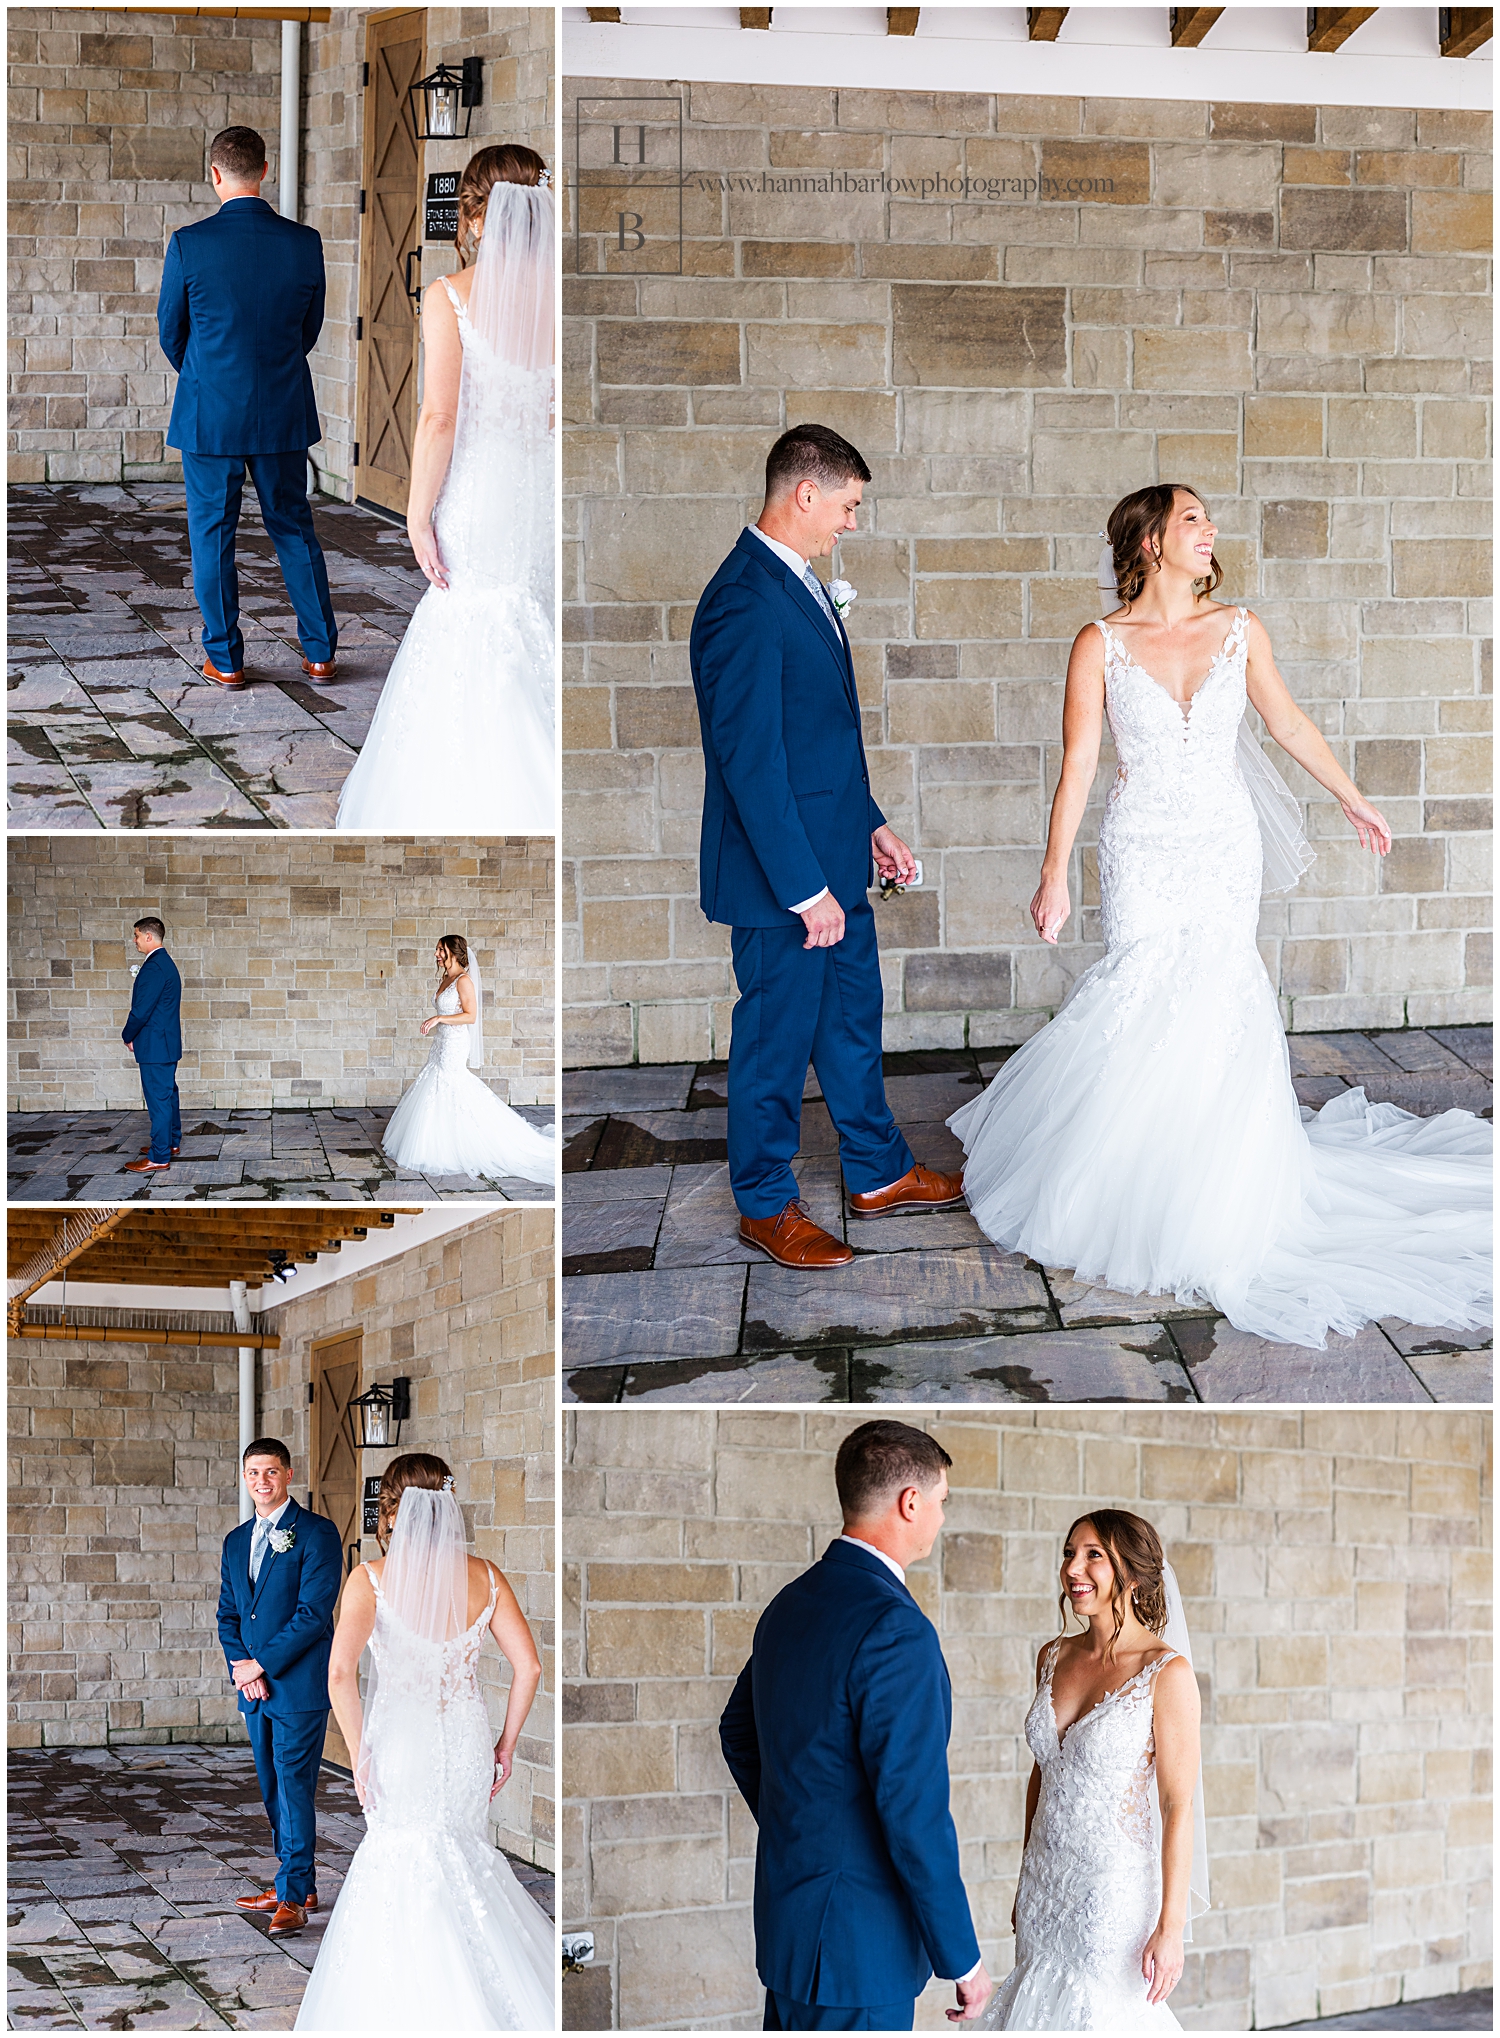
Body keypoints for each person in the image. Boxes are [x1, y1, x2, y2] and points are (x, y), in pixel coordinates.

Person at [951, 482, 1492, 1348]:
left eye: (1209, 521)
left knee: (1221, 995)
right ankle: (1137, 1185)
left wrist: (1353, 798)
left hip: (1220, 843)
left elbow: (1290, 726)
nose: (1212, 532)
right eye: (1194, 519)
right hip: (1142, 847)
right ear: (1152, 542)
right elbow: (1079, 767)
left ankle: (1219, 1196)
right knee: (1144, 993)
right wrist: (1054, 873)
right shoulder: (1098, 645)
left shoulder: (1240, 629)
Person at [690, 425, 966, 1270]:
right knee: (774, 1042)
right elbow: (752, 761)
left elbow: (822, 742)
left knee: (850, 1024)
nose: (852, 522)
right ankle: (766, 1205)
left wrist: (871, 823)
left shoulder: (801, 586)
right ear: (804, 494)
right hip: (787, 883)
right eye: (848, 505)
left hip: (836, 858)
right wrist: (803, 887)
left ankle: (877, 1174)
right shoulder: (741, 599)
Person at [719, 1420, 992, 2031]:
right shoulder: (897, 1630)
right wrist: (964, 1961)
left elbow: (738, 1730)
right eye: (942, 1502)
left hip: (791, 1930)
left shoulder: (789, 1604)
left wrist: (805, 1828)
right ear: (911, 1502)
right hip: (859, 1950)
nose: (942, 1519)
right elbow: (914, 1812)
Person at [335, 145, 555, 830]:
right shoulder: (560, 299)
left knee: (471, 621)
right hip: (540, 490)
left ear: (476, 216)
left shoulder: (450, 295)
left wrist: (416, 514)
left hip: (484, 491)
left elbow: (438, 417)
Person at [293, 1454, 553, 2030]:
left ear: (392, 1507)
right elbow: (529, 1668)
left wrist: (360, 1753)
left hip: (400, 1747)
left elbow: (340, 1674)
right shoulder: (485, 1575)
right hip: (464, 1743)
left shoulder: (371, 1578)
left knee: (403, 1863)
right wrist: (505, 1746)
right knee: (461, 1856)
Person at [986, 1512, 1207, 2031]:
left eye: (1093, 1555)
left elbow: (1179, 1804)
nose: (1073, 1568)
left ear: (1130, 1574)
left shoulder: (1165, 1673)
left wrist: (1170, 1927)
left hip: (1112, 1896)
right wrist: (1025, 1876)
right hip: (1045, 1884)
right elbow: (1043, 1775)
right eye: (1068, 1553)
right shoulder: (1051, 1656)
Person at [157, 125, 337, 689]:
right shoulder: (304, 242)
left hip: (210, 413)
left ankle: (227, 660)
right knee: (294, 529)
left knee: (213, 534)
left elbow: (171, 332)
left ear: (214, 174)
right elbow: (308, 330)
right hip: (282, 408)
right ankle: (320, 653)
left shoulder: (189, 243)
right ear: (265, 170)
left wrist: (211, 375)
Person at [218, 1439, 343, 1939]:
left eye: (271, 1471)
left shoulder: (316, 1533)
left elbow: (314, 1615)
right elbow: (230, 1613)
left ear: (288, 1475)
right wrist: (241, 1666)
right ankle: (298, 1880)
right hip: (255, 1689)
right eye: (253, 1473)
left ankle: (292, 1897)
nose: (262, 1481)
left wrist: (260, 1666)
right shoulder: (236, 1540)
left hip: (295, 1687)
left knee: (293, 1787)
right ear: (244, 1478)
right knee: (272, 1787)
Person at [381, 935, 555, 1188]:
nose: (436, 954)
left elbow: (470, 1016)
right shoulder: (445, 978)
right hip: (441, 1042)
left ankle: (472, 1139)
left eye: (440, 950)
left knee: (451, 1083)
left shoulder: (463, 980)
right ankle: (439, 1139)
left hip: (455, 1042)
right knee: (436, 1084)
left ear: (454, 952)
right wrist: (438, 1022)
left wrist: (439, 1019)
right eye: (437, 949)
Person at [121, 917, 183, 1175]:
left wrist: (127, 1034)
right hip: (165, 1043)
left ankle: (159, 1156)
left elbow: (141, 1011)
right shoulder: (164, 963)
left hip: (155, 1046)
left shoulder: (154, 967)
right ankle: (170, 1143)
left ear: (149, 936)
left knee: (158, 1099)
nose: (134, 940)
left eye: (136, 935)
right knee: (168, 1095)